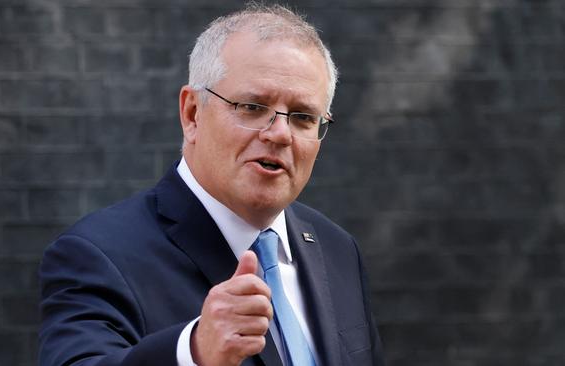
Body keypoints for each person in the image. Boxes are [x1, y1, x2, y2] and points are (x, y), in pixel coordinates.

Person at [39, 4, 385, 366]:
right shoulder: (98, 255)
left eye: (303, 117)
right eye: (252, 107)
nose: (281, 133)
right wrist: (195, 353)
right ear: (192, 114)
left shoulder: (337, 249)